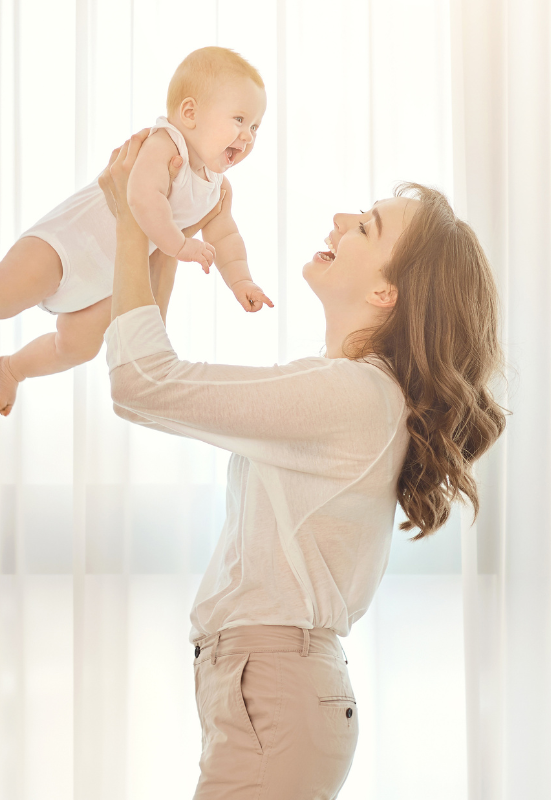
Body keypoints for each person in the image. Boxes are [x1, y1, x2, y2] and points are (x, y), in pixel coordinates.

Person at [97, 131, 507, 799]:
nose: (341, 221)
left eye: (365, 228)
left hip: (276, 701)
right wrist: (160, 236)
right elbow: (151, 378)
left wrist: (126, 224)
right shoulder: (353, 393)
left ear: (386, 294)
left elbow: (141, 382)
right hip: (270, 698)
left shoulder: (351, 397)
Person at [0, 46, 272, 416]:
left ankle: (13, 369)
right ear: (189, 112)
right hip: (66, 247)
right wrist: (180, 245)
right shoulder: (165, 144)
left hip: (106, 281)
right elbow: (141, 199)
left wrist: (242, 282)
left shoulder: (218, 189)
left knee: (77, 347)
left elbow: (226, 238)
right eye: (239, 120)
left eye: (255, 126)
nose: (249, 135)